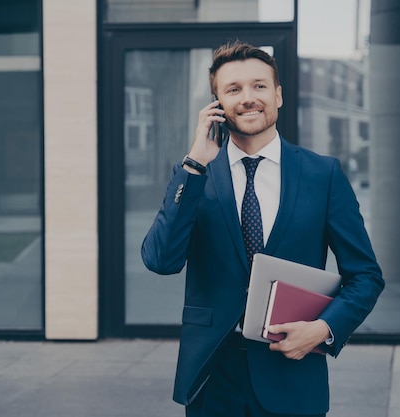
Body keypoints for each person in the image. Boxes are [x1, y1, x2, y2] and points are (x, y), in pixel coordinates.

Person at [141, 40, 384, 417]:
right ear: (217, 104)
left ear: (278, 95)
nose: (248, 97)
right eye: (233, 89)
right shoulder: (194, 177)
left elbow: (366, 275)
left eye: (259, 86)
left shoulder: (323, 175)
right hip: (211, 375)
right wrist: (193, 166)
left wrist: (323, 329)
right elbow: (160, 260)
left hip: (292, 373)